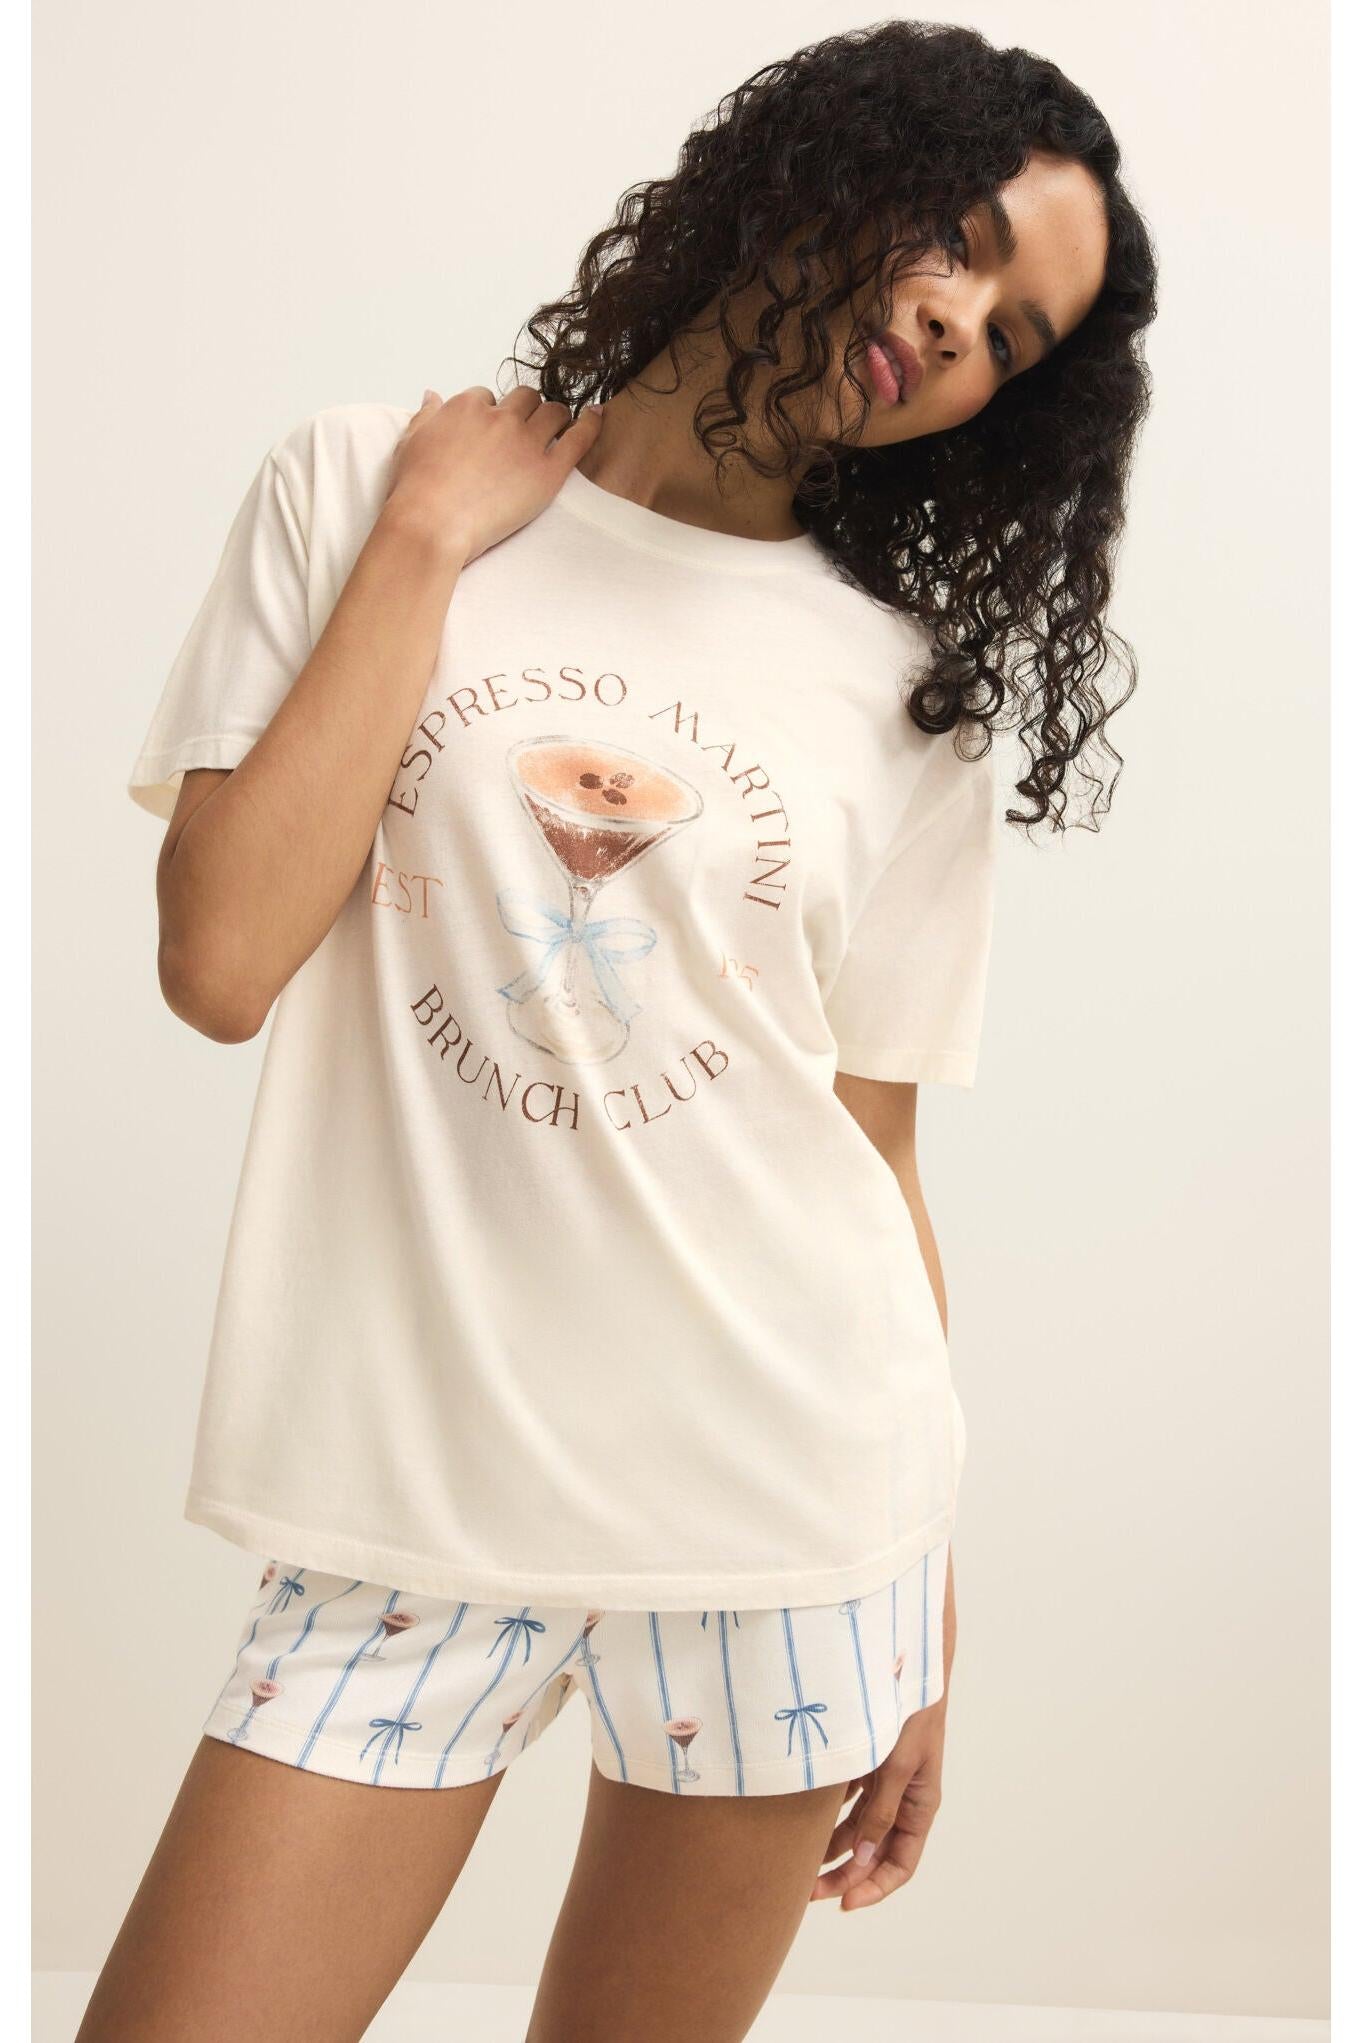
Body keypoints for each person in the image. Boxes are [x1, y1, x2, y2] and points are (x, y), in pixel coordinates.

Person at [80, 20, 1155, 2042]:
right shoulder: (365, 485)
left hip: (791, 1511)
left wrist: (920, 1585)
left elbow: (872, 1145)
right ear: (821, 170)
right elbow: (219, 960)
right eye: (956, 240)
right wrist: (426, 542)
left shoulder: (904, 691)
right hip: (410, 1498)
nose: (957, 322)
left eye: (1013, 339)